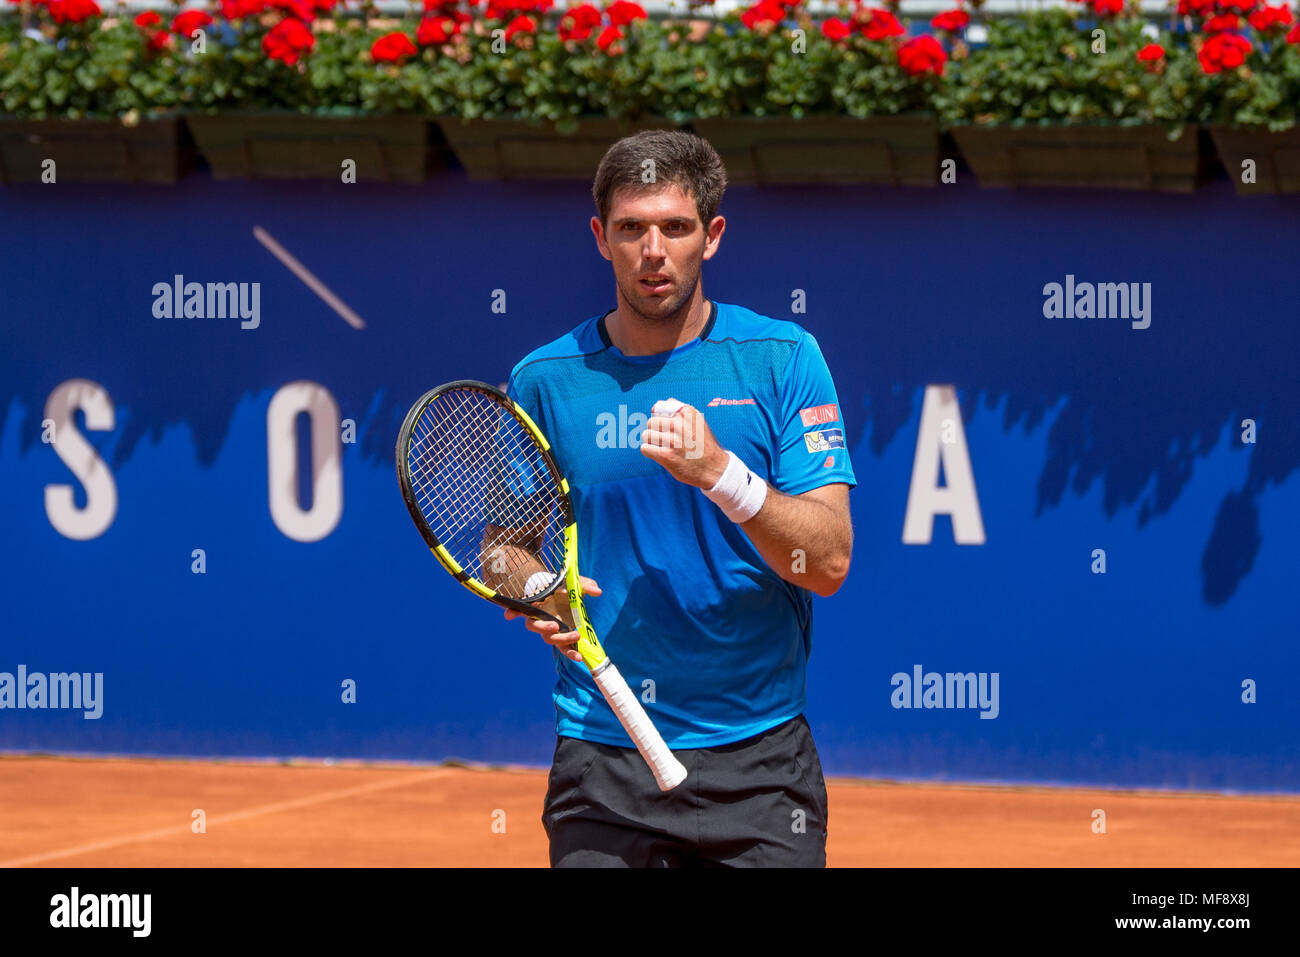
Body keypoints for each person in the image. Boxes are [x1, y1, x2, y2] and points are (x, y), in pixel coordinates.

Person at [502, 130, 855, 867]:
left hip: (759, 766)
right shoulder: (544, 379)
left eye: (675, 226)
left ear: (712, 235)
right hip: (602, 758)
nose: (652, 250)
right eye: (631, 228)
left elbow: (825, 561)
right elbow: (504, 549)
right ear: (601, 238)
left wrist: (722, 472)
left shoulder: (782, 359)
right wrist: (539, 588)